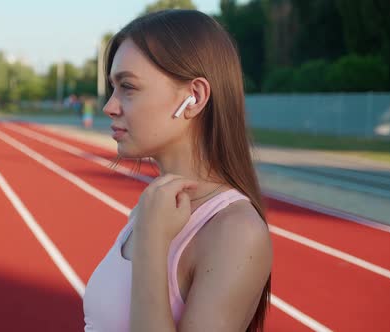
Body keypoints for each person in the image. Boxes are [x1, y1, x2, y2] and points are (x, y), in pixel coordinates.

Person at [83, 10, 272, 332]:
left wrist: (152, 242)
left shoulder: (236, 231)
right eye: (113, 88)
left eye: (127, 87)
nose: (109, 106)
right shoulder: (156, 206)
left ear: (194, 97)